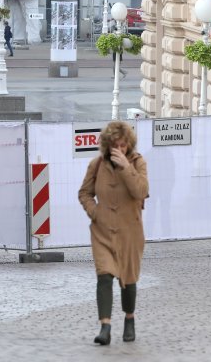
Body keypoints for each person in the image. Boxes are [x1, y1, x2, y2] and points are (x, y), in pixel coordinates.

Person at [78, 121, 149, 346]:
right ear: (108, 146)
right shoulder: (96, 165)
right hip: (102, 231)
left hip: (130, 231)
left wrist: (126, 168)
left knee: (128, 280)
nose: (120, 149)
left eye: (124, 145)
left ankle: (129, 318)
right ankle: (105, 326)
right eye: (115, 145)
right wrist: (95, 212)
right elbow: (85, 193)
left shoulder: (138, 163)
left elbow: (141, 191)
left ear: (129, 145)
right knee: (105, 276)